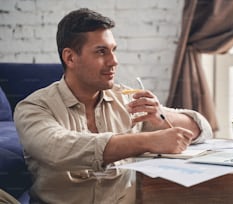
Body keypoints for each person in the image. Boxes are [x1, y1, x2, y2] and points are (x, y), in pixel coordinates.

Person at [14, 8, 212, 204]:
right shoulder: (33, 108)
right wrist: (148, 141)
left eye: (113, 50)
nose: (114, 61)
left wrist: (161, 116)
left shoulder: (126, 100)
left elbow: (202, 128)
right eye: (101, 52)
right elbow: (58, 148)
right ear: (70, 58)